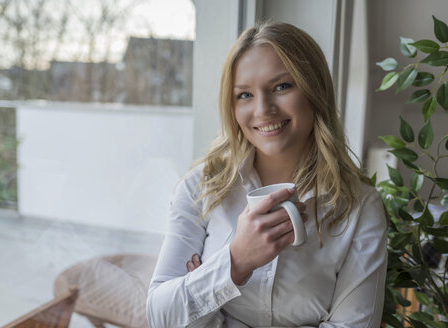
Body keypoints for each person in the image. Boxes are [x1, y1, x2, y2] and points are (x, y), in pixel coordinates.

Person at [146, 21, 387, 328]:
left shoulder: (360, 207)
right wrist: (235, 262)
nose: (263, 110)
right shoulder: (201, 187)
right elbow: (160, 317)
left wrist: (205, 301)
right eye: (244, 95)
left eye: (281, 87)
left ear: (315, 90)